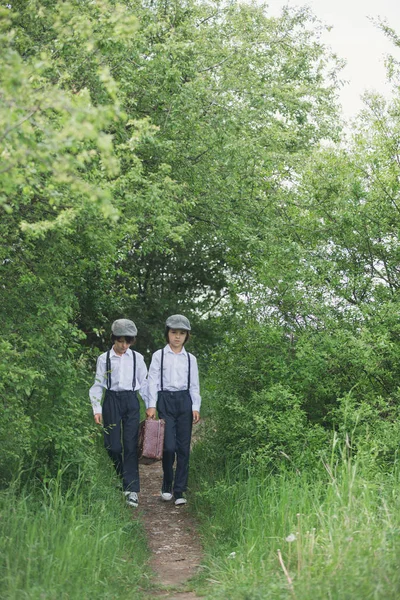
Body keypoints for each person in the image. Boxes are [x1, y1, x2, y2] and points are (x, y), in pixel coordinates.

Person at [89, 319, 147, 507]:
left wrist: (150, 405)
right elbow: (98, 385)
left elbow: (144, 383)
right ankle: (125, 479)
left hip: (131, 401)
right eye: (121, 341)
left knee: (130, 445)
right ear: (114, 338)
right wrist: (97, 409)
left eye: (128, 342)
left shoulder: (137, 358)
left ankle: (131, 490)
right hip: (111, 400)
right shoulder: (104, 359)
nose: (124, 346)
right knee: (112, 446)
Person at [144, 314, 201, 506]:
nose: (177, 337)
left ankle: (180, 490)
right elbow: (152, 381)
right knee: (168, 447)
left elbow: (194, 384)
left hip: (184, 400)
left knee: (183, 448)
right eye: (174, 332)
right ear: (167, 333)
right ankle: (167, 484)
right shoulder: (158, 356)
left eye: (182, 333)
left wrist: (195, 406)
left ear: (187, 336)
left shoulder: (191, 359)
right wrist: (151, 404)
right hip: (165, 400)